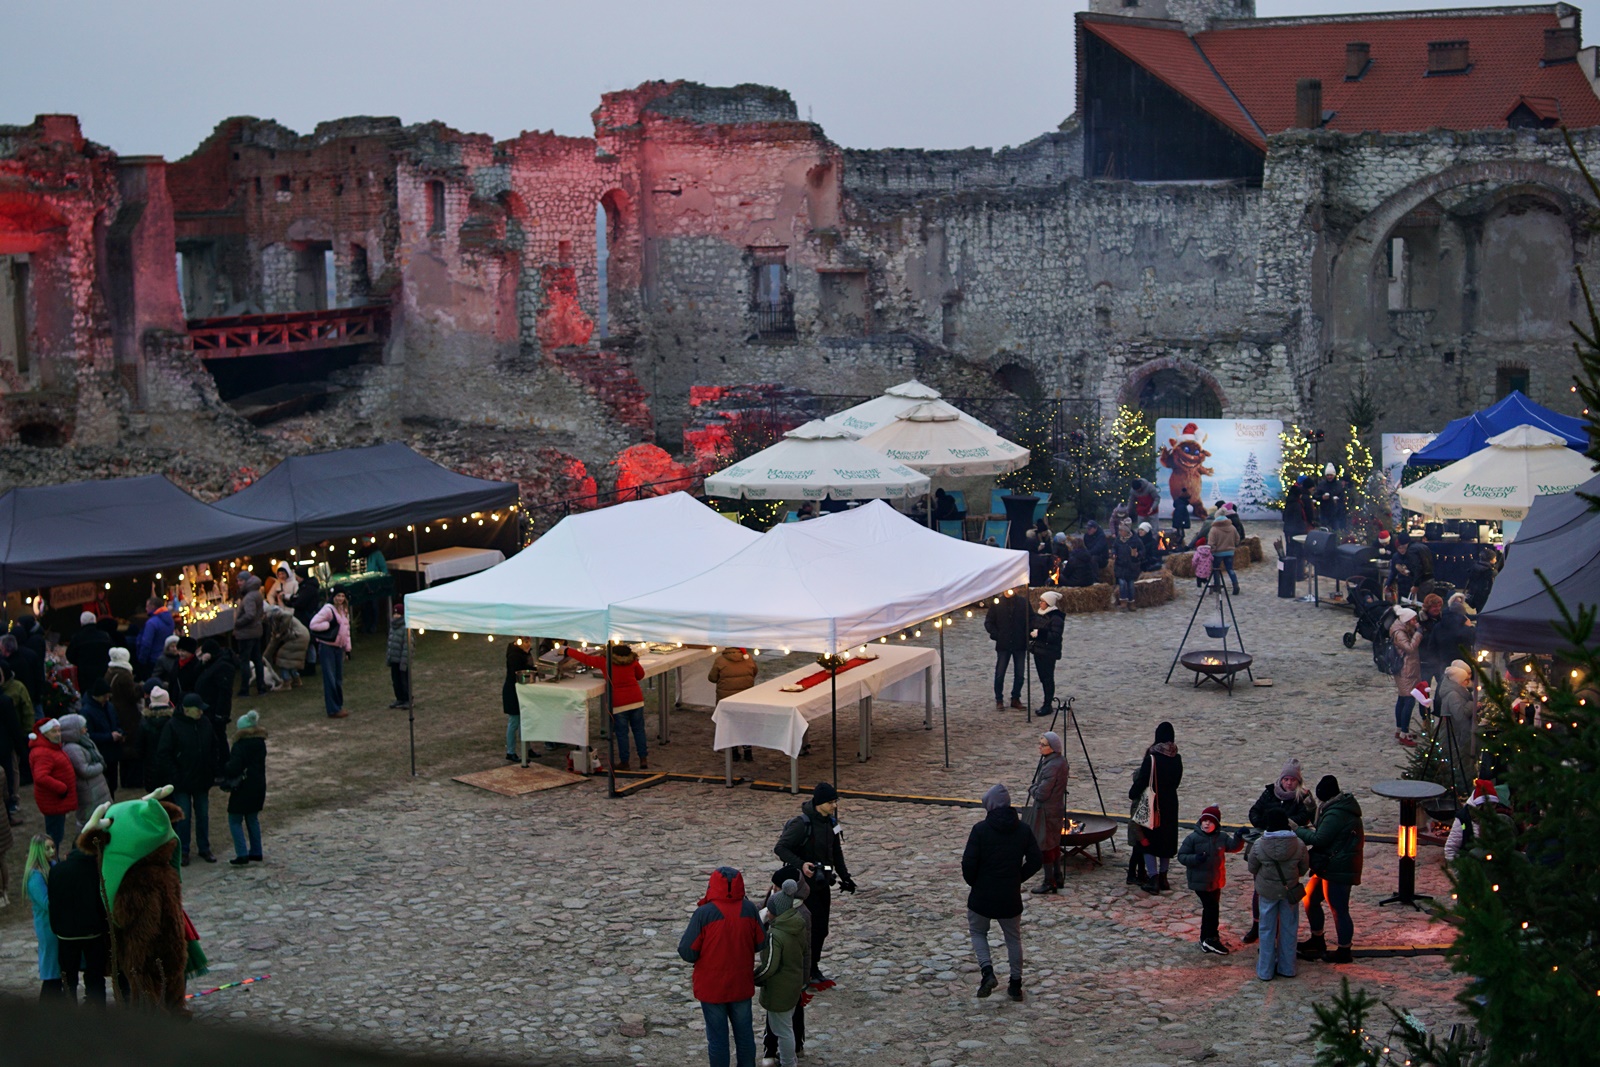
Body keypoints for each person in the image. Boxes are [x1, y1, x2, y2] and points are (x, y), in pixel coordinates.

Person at [677, 866, 766, 1067]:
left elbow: (687, 951)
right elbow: (760, 942)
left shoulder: (704, 913)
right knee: (745, 1037)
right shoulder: (749, 909)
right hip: (740, 985)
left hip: (712, 987)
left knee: (717, 1040)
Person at [962, 783, 1042, 1001]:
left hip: (982, 894)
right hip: (1009, 894)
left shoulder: (980, 830)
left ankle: (987, 972)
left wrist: (975, 883)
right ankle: (1015, 984)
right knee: (1013, 938)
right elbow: (1036, 860)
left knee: (978, 932)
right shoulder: (1023, 830)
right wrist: (1017, 878)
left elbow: (968, 863)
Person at [774, 782, 855, 988]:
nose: (834, 805)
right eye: (831, 802)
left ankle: (813, 966)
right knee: (807, 929)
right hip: (804, 886)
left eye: (835, 801)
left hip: (822, 883)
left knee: (821, 929)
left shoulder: (830, 823)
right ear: (819, 803)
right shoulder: (802, 824)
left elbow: (836, 852)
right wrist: (802, 864)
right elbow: (781, 848)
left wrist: (845, 877)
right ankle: (806, 969)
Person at [1243, 759, 1315, 944]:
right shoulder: (1270, 793)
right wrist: (1267, 822)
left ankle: (1280, 931)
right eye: (1286, 779)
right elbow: (1254, 812)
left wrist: (1284, 821)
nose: (1289, 783)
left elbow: (1304, 817)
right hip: (1265, 846)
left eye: (1292, 780)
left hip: (1287, 849)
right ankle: (1257, 925)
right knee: (1259, 889)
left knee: (1283, 895)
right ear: (1281, 780)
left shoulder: (1301, 798)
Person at [1296, 774, 1364, 964]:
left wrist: (1295, 829)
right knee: (1310, 897)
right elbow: (1325, 828)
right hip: (1331, 864)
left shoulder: (1337, 813)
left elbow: (1320, 838)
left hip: (1338, 868)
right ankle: (1317, 939)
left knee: (1339, 908)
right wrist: (1311, 809)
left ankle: (1344, 950)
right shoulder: (1336, 806)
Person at [1246, 807, 1310, 981]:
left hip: (1267, 891)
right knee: (1289, 928)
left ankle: (1265, 970)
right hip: (1289, 890)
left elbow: (1252, 867)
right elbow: (1304, 868)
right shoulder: (1298, 844)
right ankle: (1287, 967)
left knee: (1266, 929)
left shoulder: (1259, 844)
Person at [565, 642, 650, 770]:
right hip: (636, 699)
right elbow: (640, 675)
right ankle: (643, 759)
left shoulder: (606, 661)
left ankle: (625, 762)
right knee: (639, 730)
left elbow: (586, 659)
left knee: (622, 733)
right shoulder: (633, 661)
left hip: (618, 702)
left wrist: (567, 651)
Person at [48, 835, 110, 1006]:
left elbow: (52, 903)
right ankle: (97, 1010)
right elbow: (101, 901)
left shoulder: (57, 870)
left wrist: (57, 928)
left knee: (68, 979)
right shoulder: (96, 871)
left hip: (66, 934)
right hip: (93, 932)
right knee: (95, 976)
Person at [1177, 804, 1246, 955]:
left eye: (1210, 821)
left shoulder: (1221, 837)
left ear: (1217, 824)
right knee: (1211, 908)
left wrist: (1239, 837)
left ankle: (1205, 939)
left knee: (1211, 909)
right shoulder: (1193, 838)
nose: (1207, 823)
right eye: (1204, 821)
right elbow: (1181, 856)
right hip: (1200, 882)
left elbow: (1233, 847)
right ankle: (1210, 938)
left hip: (1216, 881)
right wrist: (1196, 858)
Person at [157, 693, 216, 866]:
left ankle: (204, 848)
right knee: (184, 818)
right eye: (198, 710)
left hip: (202, 779)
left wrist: (212, 769)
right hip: (182, 781)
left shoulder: (205, 723)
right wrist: (175, 777)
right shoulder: (173, 726)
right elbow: (163, 754)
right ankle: (183, 851)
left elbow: (214, 746)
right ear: (187, 710)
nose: (201, 713)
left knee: (203, 815)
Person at [753, 879, 807, 1067]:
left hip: (779, 990)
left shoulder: (776, 935)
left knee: (783, 1030)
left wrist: (755, 978)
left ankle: (788, 1062)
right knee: (785, 1028)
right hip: (793, 984)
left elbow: (770, 966)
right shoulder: (797, 924)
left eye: (769, 910)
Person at [1129, 721, 1183, 893]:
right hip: (1170, 803)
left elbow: (1142, 780)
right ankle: (1164, 878)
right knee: (1166, 842)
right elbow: (1177, 782)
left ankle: (1153, 879)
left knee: (1148, 842)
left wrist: (1132, 793)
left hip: (1154, 804)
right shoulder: (1177, 758)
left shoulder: (1152, 758)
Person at [1027, 732, 1070, 895]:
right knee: (1053, 843)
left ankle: (1049, 880)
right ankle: (1057, 876)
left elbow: (1042, 793)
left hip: (1046, 810)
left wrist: (1031, 788)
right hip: (1054, 808)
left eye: (1043, 745)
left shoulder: (1052, 765)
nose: (1040, 747)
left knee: (1045, 845)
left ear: (1052, 748)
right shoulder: (1058, 761)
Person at [222, 709, 267, 866]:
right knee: (252, 818)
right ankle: (256, 851)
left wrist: (224, 767)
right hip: (258, 785)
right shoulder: (260, 743)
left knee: (234, 819)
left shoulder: (240, 746)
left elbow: (234, 768)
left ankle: (241, 853)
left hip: (243, 787)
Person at [28, 718, 75, 854]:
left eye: (59, 730)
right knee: (54, 836)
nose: (58, 734)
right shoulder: (43, 752)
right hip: (53, 801)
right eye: (54, 731)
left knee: (57, 834)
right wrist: (62, 788)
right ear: (44, 734)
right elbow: (41, 777)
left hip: (56, 801)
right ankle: (51, 861)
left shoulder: (51, 748)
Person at [23, 835, 62, 1000]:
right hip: (47, 927)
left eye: (53, 847)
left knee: (57, 970)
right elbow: (47, 903)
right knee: (52, 971)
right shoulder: (34, 876)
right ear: (38, 850)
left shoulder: (53, 865)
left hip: (57, 925)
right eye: (47, 848)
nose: (52, 851)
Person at [57, 715, 110, 827]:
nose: (86, 729)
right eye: (83, 727)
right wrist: (100, 766)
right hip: (88, 790)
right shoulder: (72, 749)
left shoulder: (84, 741)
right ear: (74, 730)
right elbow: (84, 770)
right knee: (89, 818)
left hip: (95, 787)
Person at [709, 647, 758, 761]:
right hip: (745, 698)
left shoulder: (720, 660)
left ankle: (734, 751)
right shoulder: (748, 659)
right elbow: (754, 672)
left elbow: (712, 678)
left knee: (729, 724)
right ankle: (748, 751)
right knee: (745, 723)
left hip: (726, 699)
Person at [309, 589, 352, 719]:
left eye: (343, 596)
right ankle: (333, 709)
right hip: (328, 647)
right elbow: (313, 624)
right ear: (333, 596)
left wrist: (347, 648)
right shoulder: (328, 609)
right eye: (338, 595)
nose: (340, 598)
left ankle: (338, 705)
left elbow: (346, 631)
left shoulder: (344, 610)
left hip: (338, 648)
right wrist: (328, 625)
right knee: (330, 678)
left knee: (338, 678)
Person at [194, 639, 238, 762]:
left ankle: (224, 766)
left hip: (215, 710)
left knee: (219, 739)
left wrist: (220, 714)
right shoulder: (213, 663)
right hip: (209, 708)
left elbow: (224, 692)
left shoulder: (223, 666)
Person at [984, 589, 1028, 711]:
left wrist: (1028, 633)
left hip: (1019, 643)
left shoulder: (1023, 602)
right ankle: (999, 699)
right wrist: (997, 635)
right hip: (1003, 644)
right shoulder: (997, 603)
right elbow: (989, 622)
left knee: (1020, 674)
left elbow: (1030, 619)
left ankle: (1016, 697)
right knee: (1000, 673)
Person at [77, 679, 122, 796]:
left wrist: (119, 732)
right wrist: (109, 737)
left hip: (112, 751)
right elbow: (89, 735)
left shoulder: (109, 707)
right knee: (104, 785)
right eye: (105, 696)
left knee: (112, 784)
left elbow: (116, 723)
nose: (107, 699)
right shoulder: (87, 711)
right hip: (100, 752)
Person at [1436, 660, 1477, 787]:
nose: (1468, 681)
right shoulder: (1454, 694)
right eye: (1466, 679)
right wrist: (1473, 705)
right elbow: (1460, 715)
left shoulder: (1457, 691)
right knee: (1457, 762)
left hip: (1457, 732)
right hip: (1455, 733)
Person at [106, 648, 142, 792]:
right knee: (131, 745)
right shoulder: (124, 675)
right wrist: (140, 688)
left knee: (123, 745)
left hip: (116, 711)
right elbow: (132, 696)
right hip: (127, 714)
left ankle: (125, 778)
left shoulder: (109, 672)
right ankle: (132, 779)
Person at [1444, 779, 1504, 862]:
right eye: (1489, 805)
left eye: (1494, 804)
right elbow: (1450, 849)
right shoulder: (1464, 818)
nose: (1492, 808)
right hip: (1470, 865)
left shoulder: (1500, 815)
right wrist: (1460, 872)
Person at [1389, 607, 1423, 746]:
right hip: (1406, 670)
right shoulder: (1399, 633)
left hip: (1408, 669)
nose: (1415, 622)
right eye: (1413, 620)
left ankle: (1400, 729)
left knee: (1402, 699)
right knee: (1409, 700)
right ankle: (1404, 733)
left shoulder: (1402, 628)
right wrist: (1418, 634)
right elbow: (1410, 648)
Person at [1027, 591, 1064, 718]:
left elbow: (1055, 636)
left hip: (1049, 652)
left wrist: (1039, 634)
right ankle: (1046, 702)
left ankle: (1047, 704)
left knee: (1048, 678)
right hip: (1039, 651)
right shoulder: (1040, 615)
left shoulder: (1056, 618)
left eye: (1042, 601)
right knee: (1043, 678)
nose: (1040, 603)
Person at [233, 573, 268, 697]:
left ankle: (245, 689)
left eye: (241, 580)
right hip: (255, 631)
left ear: (247, 581)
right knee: (257, 660)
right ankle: (261, 686)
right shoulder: (256, 594)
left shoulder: (249, 597)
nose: (239, 583)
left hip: (246, 633)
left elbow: (250, 614)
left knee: (245, 661)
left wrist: (237, 623)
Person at [502, 637, 534, 761]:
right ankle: (510, 751)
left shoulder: (523, 653)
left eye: (529, 641)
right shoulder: (514, 655)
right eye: (526, 642)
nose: (528, 644)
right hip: (513, 691)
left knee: (524, 720)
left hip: (520, 690)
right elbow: (519, 671)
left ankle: (527, 748)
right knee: (514, 721)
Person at [0, 665, 24, 826]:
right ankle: (7, 815)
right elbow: (13, 726)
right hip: (3, 748)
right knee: (6, 782)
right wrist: (21, 748)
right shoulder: (5, 701)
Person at [264, 606, 309, 691]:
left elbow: (288, 615)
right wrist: (265, 657)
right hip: (301, 636)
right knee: (291, 660)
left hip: (297, 636)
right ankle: (296, 679)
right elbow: (274, 640)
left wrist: (281, 631)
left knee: (282, 657)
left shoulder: (277, 615)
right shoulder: (275, 621)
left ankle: (286, 683)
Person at [65, 612, 111, 695]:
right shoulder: (104, 636)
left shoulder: (77, 638)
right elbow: (111, 652)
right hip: (103, 672)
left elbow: (70, 655)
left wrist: (80, 662)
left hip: (85, 674)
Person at [140, 687, 176, 791]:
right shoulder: (173, 722)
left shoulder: (144, 723)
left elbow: (139, 748)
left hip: (151, 769)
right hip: (171, 769)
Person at [1386, 531, 1435, 602]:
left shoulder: (1411, 550)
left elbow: (1417, 568)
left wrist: (1416, 585)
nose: (1402, 550)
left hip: (1421, 582)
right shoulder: (1422, 547)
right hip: (1430, 579)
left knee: (1420, 604)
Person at [135, 597, 176, 677]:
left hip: (152, 660)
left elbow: (146, 643)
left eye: (147, 606)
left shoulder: (152, 623)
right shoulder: (170, 620)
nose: (146, 609)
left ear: (153, 606)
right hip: (165, 657)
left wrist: (141, 660)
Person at [1206, 512, 1241, 595]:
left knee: (1216, 569)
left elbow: (1211, 543)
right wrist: (1233, 546)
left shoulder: (1214, 529)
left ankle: (1217, 587)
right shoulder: (1232, 527)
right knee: (1230, 569)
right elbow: (1237, 539)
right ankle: (1235, 585)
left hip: (1218, 553)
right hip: (1230, 552)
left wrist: (1213, 550)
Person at [1112, 521, 1143, 611]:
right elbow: (1114, 547)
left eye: (1122, 530)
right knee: (1122, 584)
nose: (1120, 532)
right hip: (1120, 565)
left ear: (1126, 531)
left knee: (1130, 585)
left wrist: (1137, 554)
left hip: (1131, 566)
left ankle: (1131, 602)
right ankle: (1123, 603)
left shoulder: (1135, 540)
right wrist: (1114, 553)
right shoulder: (1118, 539)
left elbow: (1142, 551)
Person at [386, 603, 410, 709]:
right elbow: (390, 643)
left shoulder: (406, 628)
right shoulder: (392, 627)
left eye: (398, 614)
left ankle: (407, 699)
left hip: (402, 660)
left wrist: (404, 660)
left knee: (404, 681)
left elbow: (407, 646)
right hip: (394, 660)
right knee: (396, 681)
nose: (396, 616)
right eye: (395, 614)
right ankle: (399, 698)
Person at [1315, 464, 1346, 533]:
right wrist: (1322, 497)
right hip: (1324, 512)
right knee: (1324, 530)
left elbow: (1342, 497)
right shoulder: (1322, 484)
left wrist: (1337, 501)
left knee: (1335, 531)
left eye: (1331, 475)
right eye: (1328, 475)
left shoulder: (1338, 485)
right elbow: (1315, 495)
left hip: (1336, 513)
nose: (1329, 477)